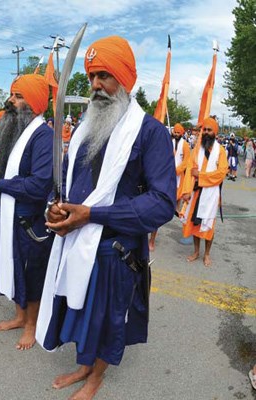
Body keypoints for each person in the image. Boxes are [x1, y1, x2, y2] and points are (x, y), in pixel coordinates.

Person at [36, 36, 176, 400]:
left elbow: (162, 203)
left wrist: (93, 214)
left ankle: (95, 378)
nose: (96, 85)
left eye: (105, 76)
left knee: (105, 321)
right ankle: (83, 366)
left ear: (125, 79)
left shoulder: (150, 132)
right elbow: (64, 181)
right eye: (92, 77)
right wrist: (55, 204)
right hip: (75, 242)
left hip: (115, 252)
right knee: (81, 314)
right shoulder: (83, 130)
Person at [0, 73, 54, 350]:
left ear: (33, 103)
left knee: (31, 275)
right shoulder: (14, 131)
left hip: (28, 223)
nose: (10, 101)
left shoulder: (44, 136)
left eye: (18, 96)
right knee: (15, 270)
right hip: (8, 217)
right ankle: (20, 317)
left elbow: (40, 184)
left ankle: (31, 325)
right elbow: (4, 173)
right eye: (12, 94)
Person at [181, 117, 228, 267]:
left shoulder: (220, 151)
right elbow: (190, 170)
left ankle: (206, 254)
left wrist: (200, 175)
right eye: (205, 129)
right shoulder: (197, 149)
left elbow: (221, 173)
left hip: (211, 194)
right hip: (196, 192)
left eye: (209, 130)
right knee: (195, 223)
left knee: (208, 225)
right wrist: (186, 190)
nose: (206, 132)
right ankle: (196, 252)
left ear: (215, 132)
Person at [149, 122, 190, 251]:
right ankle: (151, 240)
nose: (177, 134)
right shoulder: (168, 142)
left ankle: (184, 226)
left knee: (179, 202)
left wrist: (176, 170)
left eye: (179, 132)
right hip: (164, 177)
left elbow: (186, 161)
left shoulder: (186, 145)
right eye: (175, 132)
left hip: (178, 178)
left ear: (182, 133)